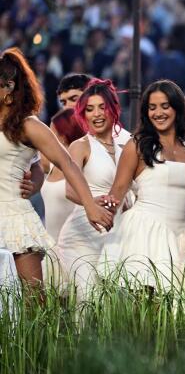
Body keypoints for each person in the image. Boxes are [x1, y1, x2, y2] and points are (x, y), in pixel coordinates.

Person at [0, 48, 111, 294]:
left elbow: (66, 163)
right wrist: (36, 179)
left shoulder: (28, 126)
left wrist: (90, 205)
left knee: (33, 305)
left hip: (14, 218)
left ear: (8, 88)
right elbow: (36, 169)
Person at [100, 80, 185, 292]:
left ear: (177, 108)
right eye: (152, 107)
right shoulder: (138, 146)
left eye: (164, 106)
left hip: (181, 235)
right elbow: (117, 193)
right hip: (145, 233)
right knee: (144, 309)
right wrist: (97, 208)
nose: (158, 113)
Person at [57, 78, 130, 301]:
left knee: (114, 308)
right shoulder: (80, 146)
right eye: (90, 109)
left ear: (113, 109)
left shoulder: (128, 145)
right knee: (87, 303)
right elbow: (70, 190)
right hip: (82, 236)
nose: (97, 114)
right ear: (83, 114)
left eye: (102, 107)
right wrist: (95, 203)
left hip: (117, 235)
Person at [40, 108, 85, 241]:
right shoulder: (51, 163)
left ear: (63, 136)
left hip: (78, 243)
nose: (46, 137)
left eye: (51, 132)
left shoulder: (84, 164)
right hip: (51, 245)